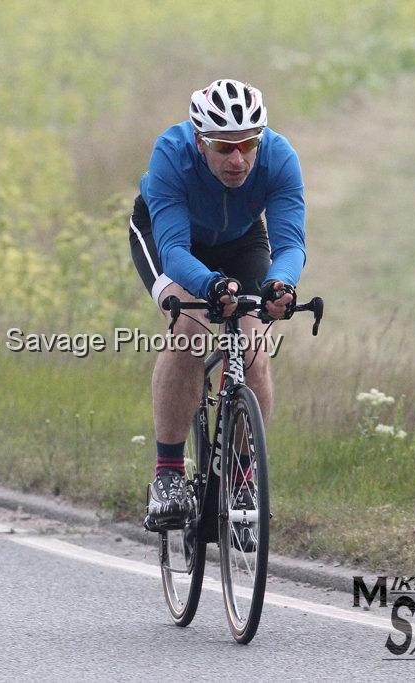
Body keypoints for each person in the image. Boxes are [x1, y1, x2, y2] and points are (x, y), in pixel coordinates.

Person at [129, 78, 306, 532]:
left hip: (239, 242)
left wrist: (280, 284)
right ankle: (167, 475)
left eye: (247, 144)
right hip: (168, 240)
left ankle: (243, 478)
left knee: (254, 348)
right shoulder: (171, 155)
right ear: (198, 139)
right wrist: (211, 286)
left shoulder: (279, 156)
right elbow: (173, 250)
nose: (238, 158)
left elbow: (290, 243)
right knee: (189, 328)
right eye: (223, 146)